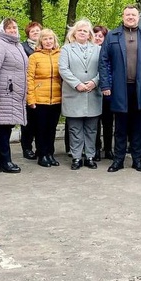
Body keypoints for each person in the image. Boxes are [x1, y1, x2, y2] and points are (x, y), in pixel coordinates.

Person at [98, 4, 141, 173]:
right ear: (123, 16)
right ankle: (118, 161)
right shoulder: (112, 35)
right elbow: (103, 61)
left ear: (138, 17)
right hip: (119, 89)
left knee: (138, 127)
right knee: (120, 126)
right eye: (128, 15)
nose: (131, 17)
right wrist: (105, 85)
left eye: (133, 15)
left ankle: (137, 160)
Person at [0, 18, 28, 173]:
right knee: (3, 129)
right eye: (9, 28)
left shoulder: (16, 45)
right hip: (3, 94)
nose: (13, 30)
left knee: (7, 128)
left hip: (13, 94)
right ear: (2, 29)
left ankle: (0, 160)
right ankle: (5, 161)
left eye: (15, 27)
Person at [60, 20, 102, 170]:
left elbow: (102, 68)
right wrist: (77, 83)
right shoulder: (66, 49)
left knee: (92, 129)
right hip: (74, 93)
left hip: (92, 93)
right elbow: (63, 69)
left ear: (90, 34)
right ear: (74, 33)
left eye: (85, 31)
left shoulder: (97, 49)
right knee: (75, 128)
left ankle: (90, 156)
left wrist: (94, 82)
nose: (83, 33)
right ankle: (77, 157)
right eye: (80, 30)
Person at [27, 28, 62, 167]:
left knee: (52, 128)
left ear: (54, 40)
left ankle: (50, 153)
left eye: (50, 39)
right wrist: (31, 99)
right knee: (41, 128)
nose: (48, 41)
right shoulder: (34, 57)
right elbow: (29, 78)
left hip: (56, 97)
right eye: (45, 39)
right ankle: (42, 154)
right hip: (40, 98)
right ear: (40, 41)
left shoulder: (60, 55)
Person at [21, 21, 42, 160]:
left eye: (38, 30)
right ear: (28, 33)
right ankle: (27, 147)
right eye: (32, 31)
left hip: (44, 90)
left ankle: (41, 148)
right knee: (28, 121)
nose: (35, 33)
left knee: (41, 121)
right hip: (28, 87)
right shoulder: (22, 47)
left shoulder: (46, 46)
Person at [93, 25, 113, 160]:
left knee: (108, 121)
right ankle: (96, 148)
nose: (98, 38)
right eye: (96, 35)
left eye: (101, 36)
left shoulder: (109, 51)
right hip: (92, 90)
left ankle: (108, 148)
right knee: (94, 122)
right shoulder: (88, 50)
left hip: (108, 90)